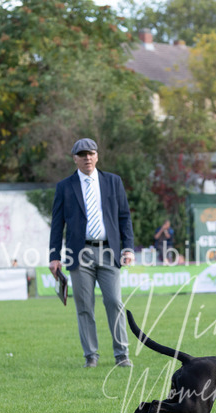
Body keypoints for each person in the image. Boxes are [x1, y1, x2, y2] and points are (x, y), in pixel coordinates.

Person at [48, 137, 135, 368]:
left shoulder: (113, 182)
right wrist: (53, 256)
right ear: (75, 158)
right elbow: (57, 224)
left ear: (97, 156)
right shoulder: (65, 187)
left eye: (91, 153)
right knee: (84, 306)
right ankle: (91, 355)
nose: (87, 158)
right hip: (79, 253)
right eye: (82, 154)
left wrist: (128, 248)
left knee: (114, 301)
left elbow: (124, 216)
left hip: (109, 250)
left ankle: (121, 354)